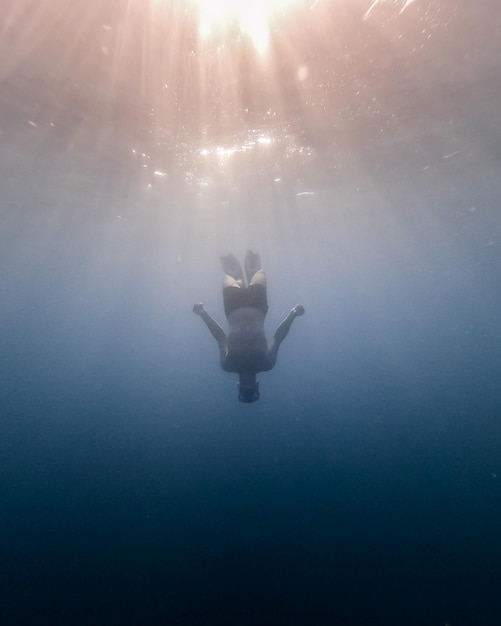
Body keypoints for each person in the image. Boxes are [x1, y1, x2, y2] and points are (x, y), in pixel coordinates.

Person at [193, 250, 305, 402]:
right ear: (257, 384)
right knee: (257, 270)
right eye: (251, 388)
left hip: (232, 308)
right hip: (257, 306)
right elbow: (279, 337)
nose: (247, 384)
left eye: (244, 388)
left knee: (230, 275)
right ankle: (249, 260)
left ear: (238, 385)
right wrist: (292, 315)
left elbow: (219, 337)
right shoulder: (266, 363)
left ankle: (238, 277)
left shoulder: (228, 365)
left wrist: (203, 314)